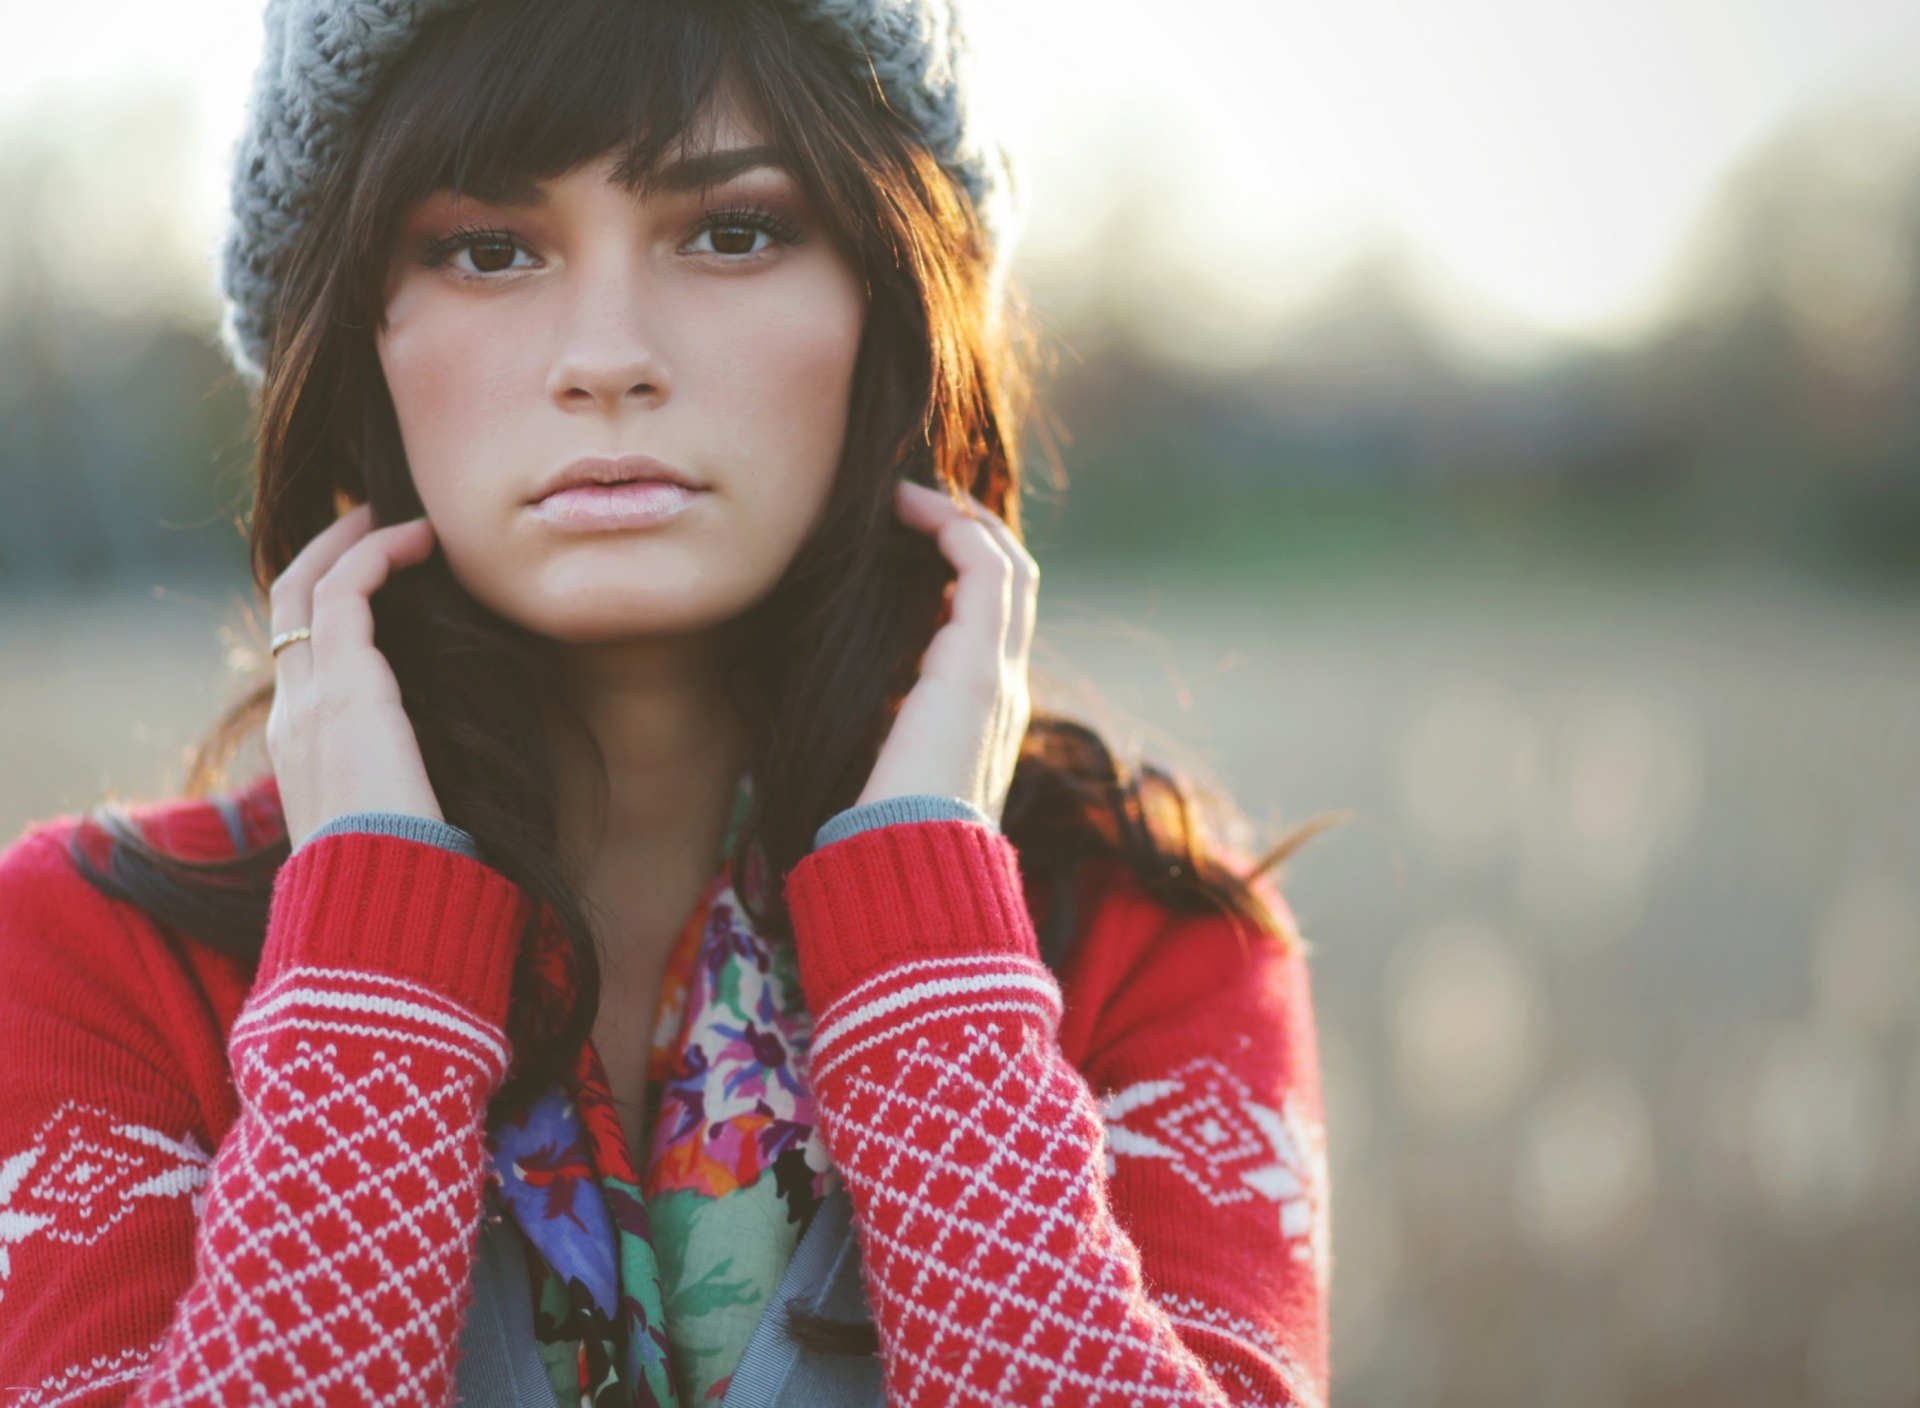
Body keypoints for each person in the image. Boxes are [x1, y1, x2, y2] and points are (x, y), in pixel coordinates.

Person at [0, 0, 1329, 1402]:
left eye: (732, 230)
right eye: (488, 248)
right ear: (351, 346)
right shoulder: (96, 956)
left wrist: (934, 959)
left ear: (891, 297)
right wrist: (369, 984)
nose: (610, 357)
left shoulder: (1142, 935)